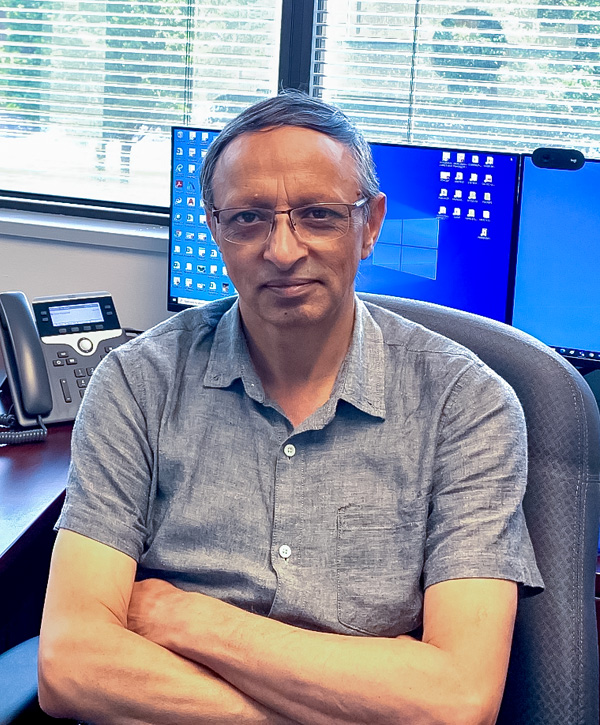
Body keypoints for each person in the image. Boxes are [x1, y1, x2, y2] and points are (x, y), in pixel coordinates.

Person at [38, 90, 543, 724]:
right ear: (215, 227)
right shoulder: (137, 383)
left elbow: (456, 701)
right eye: (249, 217)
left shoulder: (466, 404)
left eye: (319, 215)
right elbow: (71, 665)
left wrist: (188, 618)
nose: (282, 249)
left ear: (372, 225)